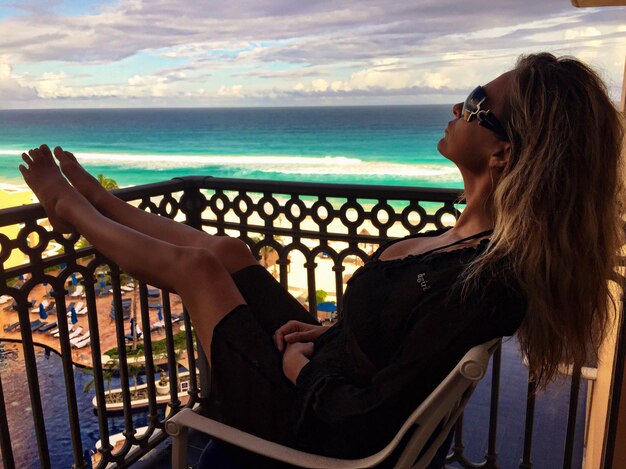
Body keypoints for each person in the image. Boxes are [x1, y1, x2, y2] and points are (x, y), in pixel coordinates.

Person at [18, 52, 624, 466]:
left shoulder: (485, 282)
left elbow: (366, 421)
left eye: (473, 102)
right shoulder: (466, 245)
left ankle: (72, 211)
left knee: (200, 271)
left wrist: (302, 370)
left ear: (501, 153)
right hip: (326, 369)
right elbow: (401, 336)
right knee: (228, 252)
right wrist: (336, 330)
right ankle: (99, 200)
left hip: (308, 424)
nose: (456, 106)